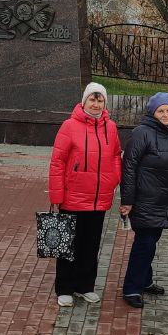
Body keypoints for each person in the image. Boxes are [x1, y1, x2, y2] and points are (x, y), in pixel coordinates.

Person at [48, 81, 122, 307]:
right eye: (92, 99)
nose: (96, 104)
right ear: (84, 101)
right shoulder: (69, 126)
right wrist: (56, 196)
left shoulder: (111, 127)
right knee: (69, 245)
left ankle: (85, 286)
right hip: (73, 198)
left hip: (99, 199)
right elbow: (57, 162)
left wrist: (114, 179)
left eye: (100, 100)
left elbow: (116, 155)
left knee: (91, 245)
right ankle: (64, 288)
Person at [119, 92, 168, 308]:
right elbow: (128, 167)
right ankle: (131, 289)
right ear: (152, 113)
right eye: (160, 111)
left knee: (150, 243)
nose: (165, 114)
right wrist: (127, 201)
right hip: (144, 200)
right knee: (144, 245)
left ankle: (144, 281)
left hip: (163, 201)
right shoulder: (141, 133)